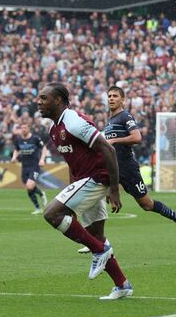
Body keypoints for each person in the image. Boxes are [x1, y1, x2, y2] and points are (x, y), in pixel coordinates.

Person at [38, 83, 133, 300]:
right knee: (96, 235)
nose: (39, 102)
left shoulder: (73, 122)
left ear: (59, 100)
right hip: (88, 180)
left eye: (44, 98)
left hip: (98, 178)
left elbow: (108, 148)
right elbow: (75, 161)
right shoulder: (55, 129)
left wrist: (114, 188)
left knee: (52, 214)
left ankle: (99, 251)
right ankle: (122, 284)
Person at [102, 86, 176, 239]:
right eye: (109, 96)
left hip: (128, 169)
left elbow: (137, 137)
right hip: (113, 169)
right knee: (96, 197)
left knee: (146, 205)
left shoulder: (125, 117)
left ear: (122, 100)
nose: (111, 98)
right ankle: (95, 240)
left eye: (115, 96)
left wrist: (115, 140)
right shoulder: (109, 121)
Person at [10, 122, 49, 214]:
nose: (23, 129)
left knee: (29, 186)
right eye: (22, 128)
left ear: (29, 129)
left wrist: (42, 159)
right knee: (29, 187)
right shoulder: (18, 139)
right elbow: (16, 149)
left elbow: (44, 148)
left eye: (25, 128)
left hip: (34, 165)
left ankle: (39, 205)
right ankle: (40, 199)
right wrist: (14, 157)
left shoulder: (35, 138)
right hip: (24, 166)